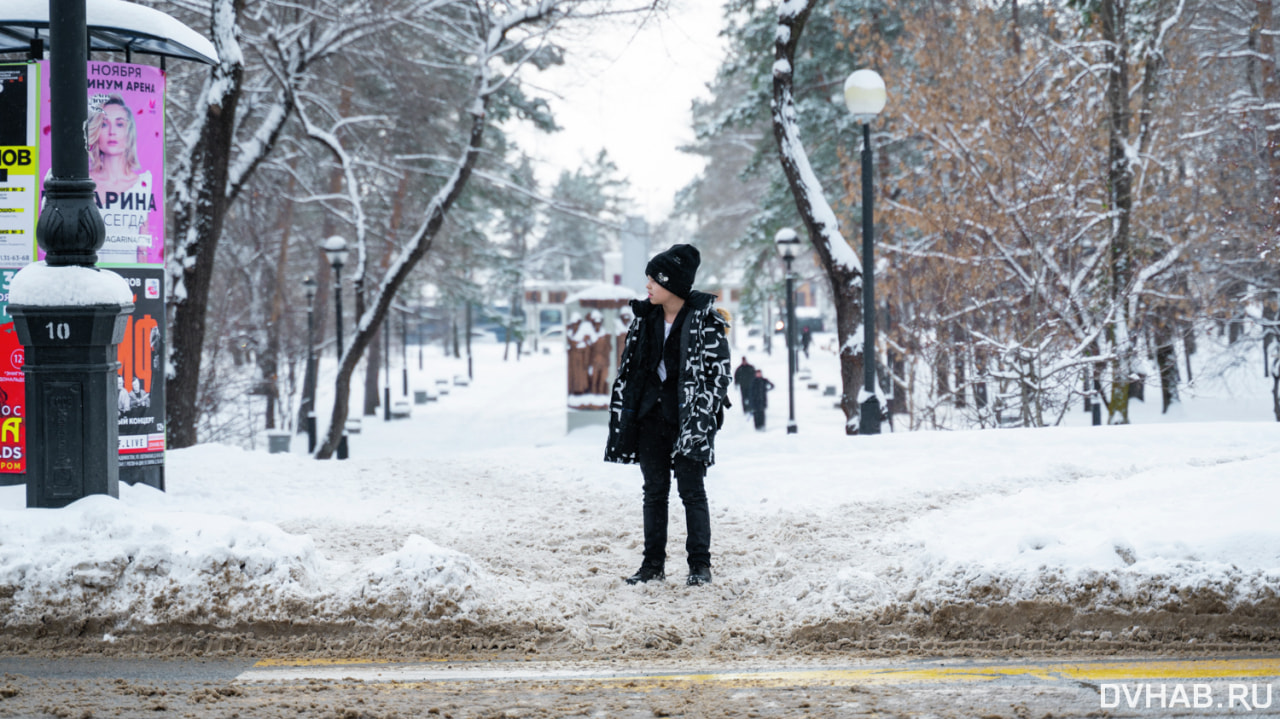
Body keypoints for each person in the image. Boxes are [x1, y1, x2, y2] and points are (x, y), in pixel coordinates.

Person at [605, 244, 731, 587]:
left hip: (689, 419)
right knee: (654, 492)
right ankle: (652, 565)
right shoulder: (645, 319)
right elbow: (631, 368)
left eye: (653, 280)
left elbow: (720, 374)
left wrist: (704, 412)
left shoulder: (706, 322)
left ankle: (699, 566)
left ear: (671, 284)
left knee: (692, 491)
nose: (647, 286)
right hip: (650, 417)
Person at [86, 94, 153, 262]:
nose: (112, 132)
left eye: (120, 124)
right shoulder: (83, 183)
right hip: (90, 279)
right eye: (104, 124)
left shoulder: (143, 185)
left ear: (129, 132)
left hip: (127, 282)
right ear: (96, 130)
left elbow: (142, 247)